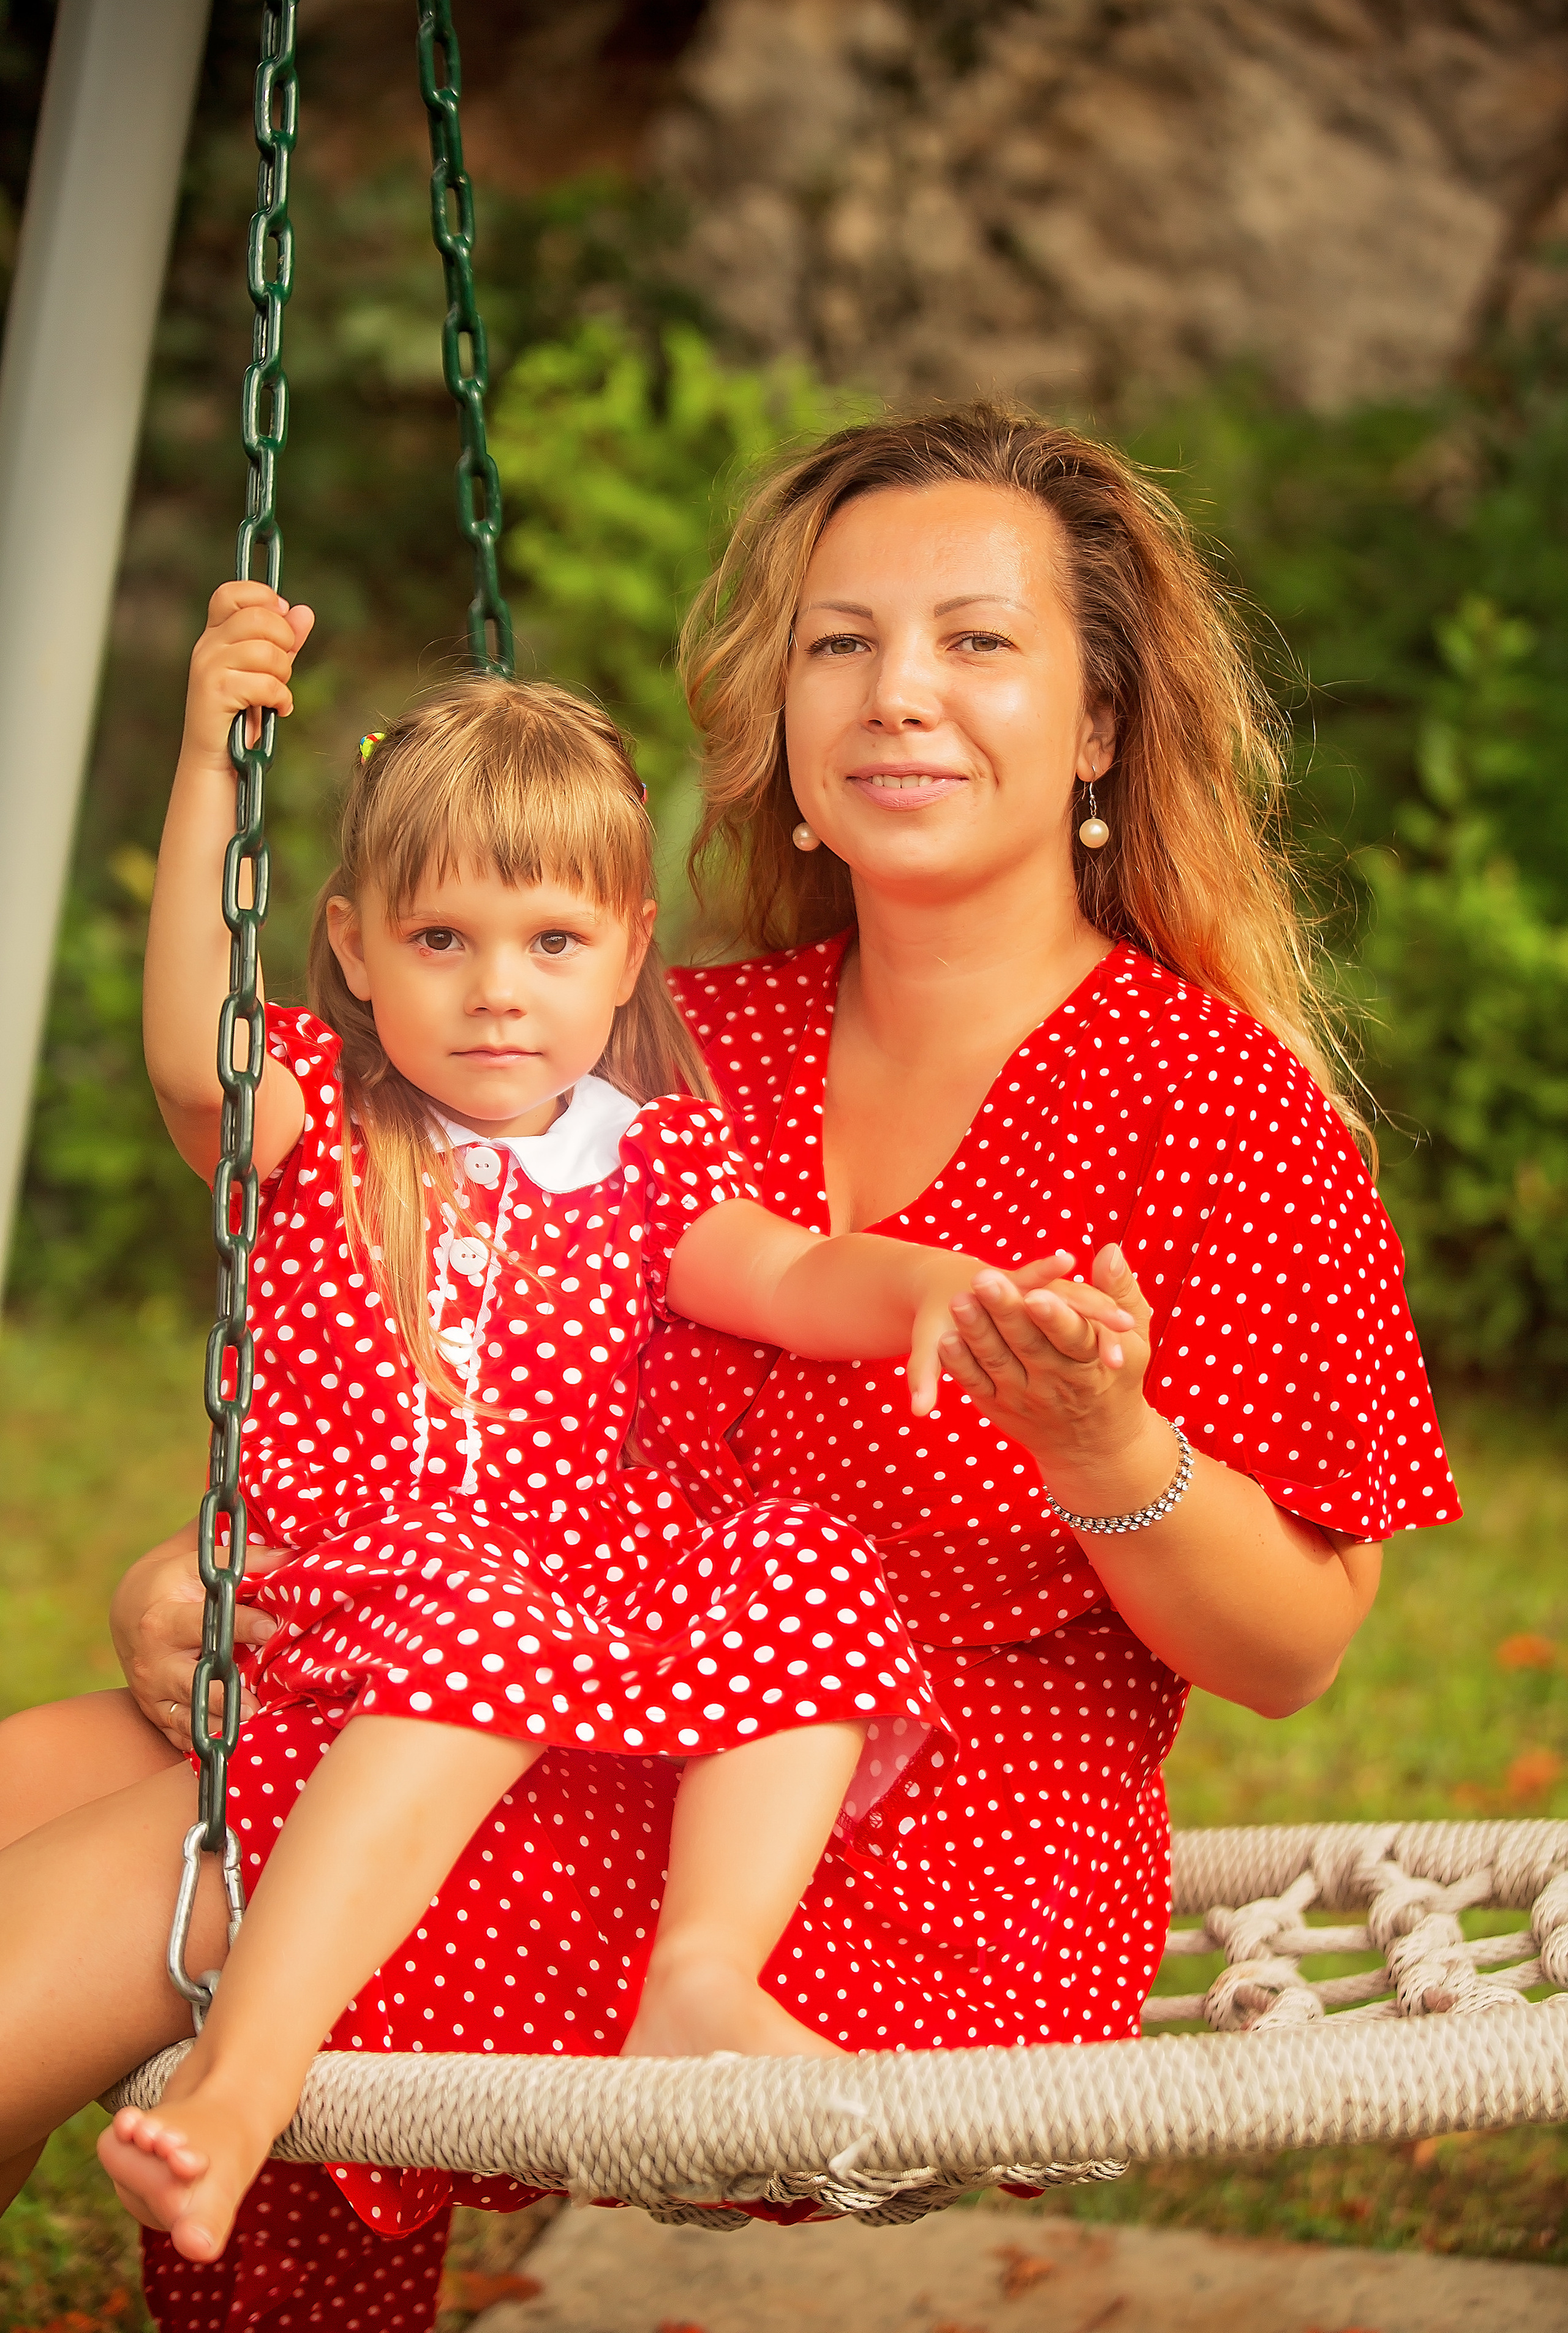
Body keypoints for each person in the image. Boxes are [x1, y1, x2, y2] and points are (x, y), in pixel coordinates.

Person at [0, 404, 1459, 2332]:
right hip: (566, 1690)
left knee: (90, 1922)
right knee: (38, 1782)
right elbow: (383, 1262)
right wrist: (223, 1570)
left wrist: (1109, 1449)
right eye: (839, 643)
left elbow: (1299, 1651)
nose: (894, 695)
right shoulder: (661, 1043)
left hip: (895, 1852)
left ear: (1103, 723)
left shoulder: (1213, 1106)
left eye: (977, 641)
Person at [4, 581, 1137, 2266]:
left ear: (621, 964)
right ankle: (239, 2089)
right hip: (346, 1585)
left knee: (809, 1567)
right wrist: (207, 768)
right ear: (353, 948)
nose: (494, 993)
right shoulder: (318, 1120)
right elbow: (191, 1057)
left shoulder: (648, 1154)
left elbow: (796, 1269)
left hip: (539, 1604)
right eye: (441, 942)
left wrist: (940, 1293)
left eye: (549, 945)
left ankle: (701, 1978)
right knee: (451, 1627)